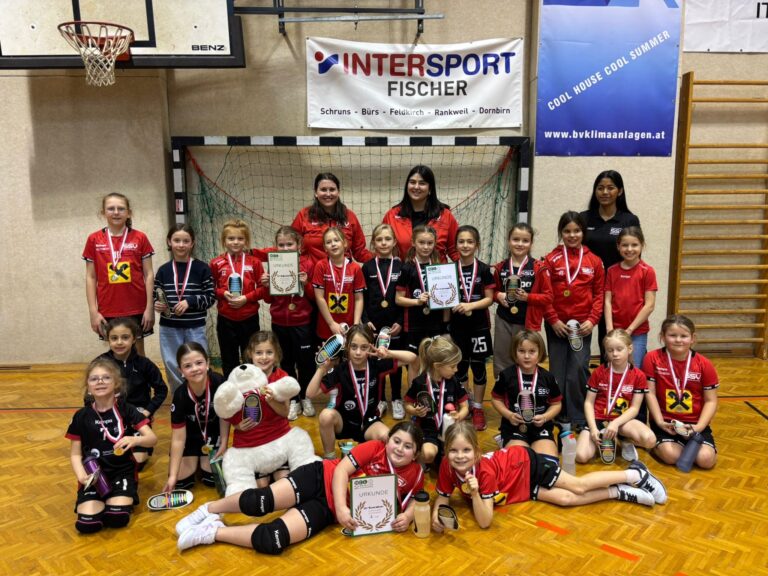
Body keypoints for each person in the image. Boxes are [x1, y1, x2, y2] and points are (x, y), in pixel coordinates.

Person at [175, 422, 425, 554]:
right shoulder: (374, 448)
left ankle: (212, 533)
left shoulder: (415, 473)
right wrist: (342, 508)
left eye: (408, 446)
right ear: (388, 440)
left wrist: (407, 516)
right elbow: (341, 471)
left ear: (415, 454)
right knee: (261, 501)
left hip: (326, 509)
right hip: (319, 477)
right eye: (396, 441)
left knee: (274, 540)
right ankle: (210, 509)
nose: (399, 449)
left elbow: (418, 499)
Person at [431, 421, 666, 531]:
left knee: (578, 486)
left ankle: (634, 473)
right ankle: (619, 491)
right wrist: (436, 516)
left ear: (476, 452)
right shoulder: (446, 466)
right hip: (517, 485)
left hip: (526, 464)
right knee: (565, 499)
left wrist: (474, 493)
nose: (459, 456)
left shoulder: (484, 472)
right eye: (453, 451)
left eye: (466, 450)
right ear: (446, 451)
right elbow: (442, 497)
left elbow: (484, 522)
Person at [216, 332, 318, 495]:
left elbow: (285, 413)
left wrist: (271, 400)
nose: (264, 357)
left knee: (284, 479)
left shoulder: (281, 377)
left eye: (269, 352)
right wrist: (234, 429)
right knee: (261, 486)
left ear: (276, 354)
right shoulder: (240, 377)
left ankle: (279, 473)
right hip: (251, 443)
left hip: (278, 439)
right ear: (250, 354)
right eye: (259, 353)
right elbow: (225, 413)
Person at [66, 358, 157, 533]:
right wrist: (82, 476)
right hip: (94, 475)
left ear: (116, 384)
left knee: (117, 518)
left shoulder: (127, 409)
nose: (100, 381)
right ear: (88, 386)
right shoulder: (81, 416)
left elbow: (152, 439)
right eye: (94, 379)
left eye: (106, 377)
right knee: (87, 525)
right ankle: (99, 500)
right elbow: (75, 454)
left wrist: (135, 440)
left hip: (122, 472)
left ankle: (119, 499)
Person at [307, 324, 419, 459]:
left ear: (371, 347)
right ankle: (330, 458)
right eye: (354, 347)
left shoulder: (376, 365)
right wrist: (321, 369)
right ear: (347, 347)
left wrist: (388, 353)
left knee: (387, 437)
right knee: (326, 416)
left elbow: (412, 358)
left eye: (364, 347)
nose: (358, 352)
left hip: (369, 422)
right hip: (344, 422)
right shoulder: (340, 371)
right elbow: (310, 394)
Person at [543, 211, 605, 428]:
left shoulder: (594, 261)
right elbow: (545, 293)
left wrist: (593, 319)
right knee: (557, 370)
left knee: (578, 369)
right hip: (557, 325)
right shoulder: (550, 259)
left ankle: (578, 415)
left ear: (583, 232)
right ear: (561, 233)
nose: (572, 235)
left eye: (576, 230)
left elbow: (599, 294)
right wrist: (553, 320)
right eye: (567, 231)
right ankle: (558, 413)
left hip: (582, 326)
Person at [642, 315, 719, 470]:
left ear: (693, 338)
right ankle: (660, 444)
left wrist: (698, 427)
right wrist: (659, 421)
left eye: (684, 336)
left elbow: (711, 401)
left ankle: (689, 445)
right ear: (662, 337)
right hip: (666, 423)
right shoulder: (652, 358)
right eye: (672, 335)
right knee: (671, 456)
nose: (678, 340)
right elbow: (649, 393)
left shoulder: (704, 364)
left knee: (706, 460)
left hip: (695, 424)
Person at [83, 192, 155, 356]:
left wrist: (149, 307)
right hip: (108, 308)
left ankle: (139, 376)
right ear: (103, 212)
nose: (116, 212)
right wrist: (93, 312)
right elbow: (91, 277)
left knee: (138, 353)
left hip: (136, 307)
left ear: (129, 213)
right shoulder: (94, 239)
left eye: (121, 208)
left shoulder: (140, 238)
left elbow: (149, 274)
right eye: (111, 208)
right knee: (117, 352)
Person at [580, 171, 641, 358]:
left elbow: (634, 255)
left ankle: (613, 373)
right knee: (583, 335)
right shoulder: (584, 218)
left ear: (620, 191)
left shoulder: (629, 220)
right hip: (587, 287)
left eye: (610, 187)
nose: (605, 192)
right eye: (600, 188)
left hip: (617, 288)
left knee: (612, 338)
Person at [260, 226, 317, 420]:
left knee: (306, 363)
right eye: (281, 245)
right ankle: (293, 399)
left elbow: (315, 297)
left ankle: (306, 397)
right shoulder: (273, 265)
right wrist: (266, 285)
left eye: (289, 244)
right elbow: (268, 299)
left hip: (302, 322)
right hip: (279, 322)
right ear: (276, 246)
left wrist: (306, 284)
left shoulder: (308, 264)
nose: (285, 248)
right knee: (286, 362)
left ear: (299, 245)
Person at [576, 329, 656, 464]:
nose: (615, 354)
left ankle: (624, 439)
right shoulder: (599, 372)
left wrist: (615, 423)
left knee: (650, 440)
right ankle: (604, 437)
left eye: (619, 349)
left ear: (629, 349)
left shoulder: (638, 375)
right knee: (581, 456)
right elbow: (589, 403)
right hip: (598, 419)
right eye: (610, 350)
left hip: (623, 421)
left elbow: (635, 408)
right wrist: (593, 428)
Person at [95, 317, 167, 467]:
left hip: (137, 418)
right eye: (114, 338)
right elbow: (90, 395)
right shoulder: (100, 363)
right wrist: (99, 416)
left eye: (125, 337)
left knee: (137, 461)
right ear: (108, 339)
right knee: (107, 458)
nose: (119, 342)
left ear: (134, 339)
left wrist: (147, 412)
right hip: (111, 417)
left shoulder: (145, 364)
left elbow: (161, 390)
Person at [154, 224, 215, 392]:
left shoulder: (202, 268)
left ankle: (200, 394)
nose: (181, 245)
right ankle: (180, 397)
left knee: (197, 362)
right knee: (172, 363)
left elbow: (210, 297)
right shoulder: (163, 270)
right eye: (177, 240)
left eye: (185, 241)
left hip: (195, 326)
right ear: (169, 242)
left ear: (192, 243)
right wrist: (157, 304)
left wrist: (190, 301)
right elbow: (156, 294)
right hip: (169, 327)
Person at [492, 223, 553, 378]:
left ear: (531, 243)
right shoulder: (500, 267)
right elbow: (491, 292)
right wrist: (498, 296)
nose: (520, 244)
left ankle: (526, 387)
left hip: (527, 322)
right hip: (504, 320)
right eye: (516, 239)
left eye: (525, 240)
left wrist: (528, 297)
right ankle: (502, 389)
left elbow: (548, 297)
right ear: (508, 241)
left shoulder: (539, 268)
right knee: (502, 358)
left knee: (525, 359)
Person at [450, 225, 495, 431]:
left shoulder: (484, 269)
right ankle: (465, 403)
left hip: (479, 327)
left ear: (477, 245)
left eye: (470, 241)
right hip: (457, 328)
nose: (465, 245)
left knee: (478, 368)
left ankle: (477, 407)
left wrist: (470, 305)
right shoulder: (449, 270)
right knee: (459, 368)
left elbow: (489, 299)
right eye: (461, 241)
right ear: (456, 245)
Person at [210, 219, 268, 378]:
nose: (235, 242)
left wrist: (246, 298)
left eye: (240, 238)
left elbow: (263, 289)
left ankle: (252, 389)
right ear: (224, 241)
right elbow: (210, 289)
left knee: (250, 358)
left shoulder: (255, 262)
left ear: (246, 241)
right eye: (231, 238)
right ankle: (231, 388)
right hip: (225, 319)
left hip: (249, 319)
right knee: (229, 359)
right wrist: (223, 293)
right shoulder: (216, 263)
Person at [163, 343, 225, 492]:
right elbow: (178, 438)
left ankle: (202, 461)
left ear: (207, 363)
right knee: (181, 483)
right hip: (189, 440)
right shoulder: (180, 395)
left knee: (212, 480)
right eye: (188, 366)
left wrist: (223, 443)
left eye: (199, 363)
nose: (195, 368)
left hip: (213, 437)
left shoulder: (220, 383)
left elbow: (225, 416)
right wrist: (172, 476)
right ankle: (195, 460)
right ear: (181, 371)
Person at [491, 330, 561, 457]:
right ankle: (507, 442)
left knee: (547, 462)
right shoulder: (506, 375)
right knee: (518, 460)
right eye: (521, 351)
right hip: (514, 427)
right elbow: (496, 399)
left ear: (540, 353)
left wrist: (545, 417)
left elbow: (556, 404)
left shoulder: (548, 377)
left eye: (532, 351)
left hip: (541, 427)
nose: (527, 356)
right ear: (514, 352)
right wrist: (509, 415)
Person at [362, 223, 406, 419]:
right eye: (379, 239)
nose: (384, 243)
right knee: (376, 361)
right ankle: (379, 399)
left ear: (394, 241)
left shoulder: (402, 266)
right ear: (373, 242)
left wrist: (400, 322)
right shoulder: (368, 267)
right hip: (374, 324)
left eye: (388, 239)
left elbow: (404, 297)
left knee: (394, 362)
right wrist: (365, 320)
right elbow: (362, 297)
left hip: (394, 325)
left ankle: (396, 398)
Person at [404, 335, 469, 466]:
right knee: (428, 454)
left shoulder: (454, 381)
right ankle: (421, 461)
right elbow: (407, 404)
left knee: (458, 458)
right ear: (438, 366)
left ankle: (441, 456)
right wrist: (415, 411)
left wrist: (459, 415)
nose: (456, 370)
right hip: (428, 430)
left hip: (450, 429)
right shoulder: (419, 382)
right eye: (452, 366)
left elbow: (465, 407)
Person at [383, 165, 459, 263]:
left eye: (422, 183)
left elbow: (455, 250)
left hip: (436, 272)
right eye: (412, 182)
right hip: (404, 271)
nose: (416, 187)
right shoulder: (392, 215)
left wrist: (470, 268)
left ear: (430, 188)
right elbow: (382, 247)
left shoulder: (445, 215)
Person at [604, 226, 657, 368]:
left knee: (634, 367)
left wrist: (630, 330)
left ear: (642, 245)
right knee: (614, 367)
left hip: (637, 332)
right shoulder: (611, 271)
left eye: (634, 245)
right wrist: (610, 329)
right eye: (625, 245)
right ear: (618, 246)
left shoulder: (647, 271)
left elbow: (649, 305)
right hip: (615, 331)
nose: (629, 249)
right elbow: (607, 301)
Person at [291, 172, 372, 264]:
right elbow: (288, 245)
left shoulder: (349, 216)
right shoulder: (304, 215)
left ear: (338, 192)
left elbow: (359, 251)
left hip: (343, 272)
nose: (328, 194)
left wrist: (380, 259)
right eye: (323, 190)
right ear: (316, 192)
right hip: (310, 272)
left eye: (332, 189)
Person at [395, 225, 449, 357]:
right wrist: (417, 301)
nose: (426, 247)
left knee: (434, 360)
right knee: (415, 361)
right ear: (413, 242)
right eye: (421, 242)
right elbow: (398, 299)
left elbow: (447, 301)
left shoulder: (440, 268)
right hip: (414, 324)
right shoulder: (407, 268)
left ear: (435, 244)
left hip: (435, 324)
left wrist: (445, 325)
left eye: (430, 243)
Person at [312, 227, 365, 340]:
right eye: (328, 242)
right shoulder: (321, 266)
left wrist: (355, 325)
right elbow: (319, 297)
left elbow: (359, 299)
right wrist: (331, 323)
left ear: (344, 243)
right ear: (325, 248)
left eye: (336, 240)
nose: (333, 244)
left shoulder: (355, 268)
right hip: (327, 326)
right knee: (328, 352)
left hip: (349, 327)